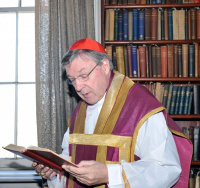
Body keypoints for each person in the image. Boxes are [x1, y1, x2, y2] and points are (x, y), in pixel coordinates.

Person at [33, 38, 192, 188]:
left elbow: (166, 169)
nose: (78, 87)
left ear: (104, 66)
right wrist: (54, 173)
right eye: (72, 79)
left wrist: (110, 174)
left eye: (83, 76)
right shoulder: (79, 112)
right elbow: (70, 165)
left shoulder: (140, 106)